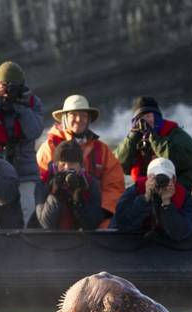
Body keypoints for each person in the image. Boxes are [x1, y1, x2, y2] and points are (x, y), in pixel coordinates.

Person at [35, 94, 125, 228]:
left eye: (83, 115)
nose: (79, 119)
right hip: (56, 216)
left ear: (89, 119)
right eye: (73, 115)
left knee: (110, 225)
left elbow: (115, 186)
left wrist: (98, 210)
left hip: (90, 212)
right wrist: (56, 190)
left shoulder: (102, 149)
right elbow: (39, 186)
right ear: (64, 118)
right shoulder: (49, 147)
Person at [0, 61, 44, 225]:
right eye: (1, 85)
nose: (7, 91)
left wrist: (21, 107)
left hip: (24, 171)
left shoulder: (32, 103)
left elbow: (34, 131)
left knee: (28, 216)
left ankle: (28, 247)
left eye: (11, 87)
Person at [114, 96, 192, 191]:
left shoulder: (175, 133)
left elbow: (179, 160)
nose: (146, 121)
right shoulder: (134, 139)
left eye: (149, 116)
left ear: (157, 117)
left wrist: (154, 139)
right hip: (148, 188)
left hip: (181, 186)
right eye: (141, 118)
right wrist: (132, 137)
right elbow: (117, 165)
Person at [111, 157, 192, 241]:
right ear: (147, 178)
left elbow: (182, 233)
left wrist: (167, 204)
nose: (160, 183)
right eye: (156, 178)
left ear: (174, 180)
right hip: (133, 242)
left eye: (165, 178)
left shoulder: (185, 198)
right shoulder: (134, 192)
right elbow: (122, 224)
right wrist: (145, 198)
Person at [32, 139, 103, 231]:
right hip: (48, 242)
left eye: (72, 164)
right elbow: (46, 225)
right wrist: (55, 196)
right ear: (56, 165)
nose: (67, 168)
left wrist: (77, 200)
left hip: (79, 241)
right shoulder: (44, 184)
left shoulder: (90, 184)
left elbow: (92, 225)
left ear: (80, 166)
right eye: (63, 164)